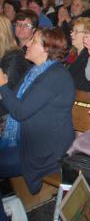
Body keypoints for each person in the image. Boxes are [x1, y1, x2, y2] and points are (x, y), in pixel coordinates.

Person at [0, 28, 75, 218]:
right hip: (28, 142)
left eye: (33, 41)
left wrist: (2, 86)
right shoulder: (35, 72)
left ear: (46, 49)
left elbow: (20, 111)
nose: (27, 44)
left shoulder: (55, 76)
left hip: (44, 153)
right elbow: (12, 102)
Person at [67, 17, 90, 93]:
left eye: (76, 31)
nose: (71, 34)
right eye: (72, 31)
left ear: (88, 35)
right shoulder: (72, 53)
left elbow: (84, 86)